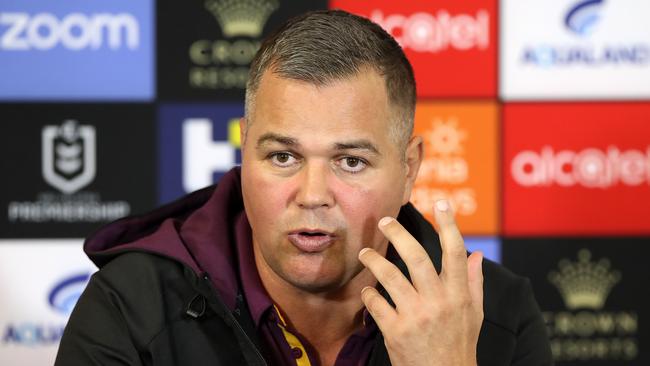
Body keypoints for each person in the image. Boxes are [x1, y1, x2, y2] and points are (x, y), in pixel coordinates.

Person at [55, 10, 553, 366]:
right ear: (244, 151)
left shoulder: (495, 311)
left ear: (408, 169)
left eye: (351, 161)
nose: (313, 193)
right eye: (283, 157)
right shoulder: (131, 304)